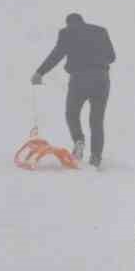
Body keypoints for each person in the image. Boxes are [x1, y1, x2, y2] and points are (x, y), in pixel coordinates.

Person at [31, 12, 116, 169]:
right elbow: (111, 57)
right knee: (96, 120)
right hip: (101, 78)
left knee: (72, 113)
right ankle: (96, 157)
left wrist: (40, 72)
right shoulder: (101, 31)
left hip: (80, 78)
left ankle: (79, 141)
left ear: (68, 23)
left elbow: (56, 55)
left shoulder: (67, 33)